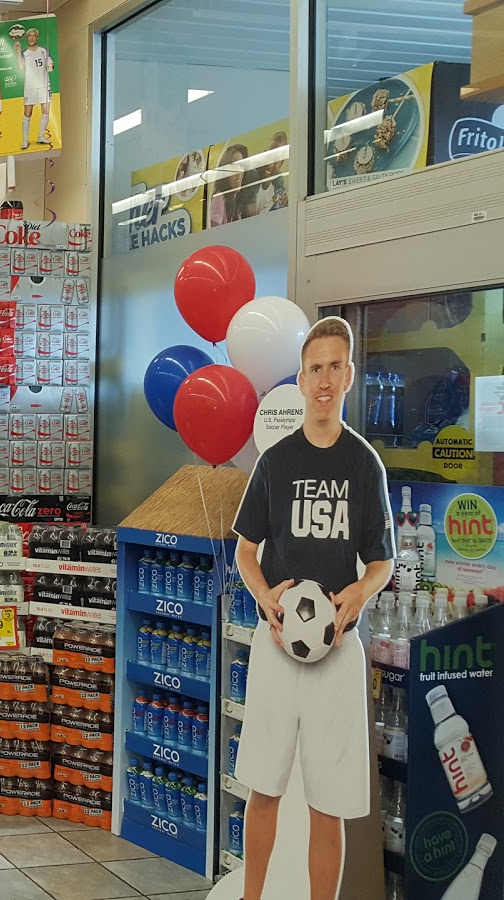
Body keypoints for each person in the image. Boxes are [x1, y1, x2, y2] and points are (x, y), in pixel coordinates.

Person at [231, 316, 393, 900]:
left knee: (329, 803)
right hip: (277, 650)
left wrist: (356, 594)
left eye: (334, 368)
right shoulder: (275, 462)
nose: (323, 380)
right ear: (300, 379)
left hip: (337, 654)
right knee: (265, 789)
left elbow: (382, 563)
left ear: (348, 375)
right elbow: (247, 552)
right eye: (313, 369)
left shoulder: (363, 464)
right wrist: (265, 598)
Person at [12, 26, 54, 150]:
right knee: (27, 113)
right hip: (30, 86)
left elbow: (50, 67)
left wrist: (51, 65)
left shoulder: (44, 51)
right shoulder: (25, 53)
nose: (31, 38)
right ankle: (25, 140)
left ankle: (41, 136)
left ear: (37, 37)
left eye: (33, 36)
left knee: (45, 112)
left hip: (44, 85)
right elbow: (20, 67)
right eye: (29, 36)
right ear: (27, 38)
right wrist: (18, 52)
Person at [209, 143, 249, 227]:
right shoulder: (219, 198)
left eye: (241, 166)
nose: (238, 173)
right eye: (233, 167)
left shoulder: (237, 200)